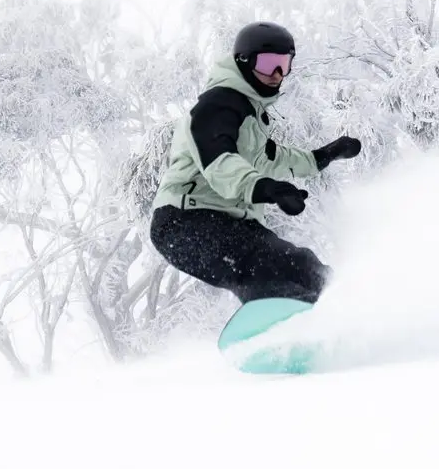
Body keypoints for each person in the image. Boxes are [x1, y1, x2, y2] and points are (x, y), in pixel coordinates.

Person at [148, 21, 362, 305]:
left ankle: (345, 307)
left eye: (283, 65)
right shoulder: (215, 106)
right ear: (244, 62)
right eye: (268, 63)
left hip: (230, 223)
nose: (276, 74)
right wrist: (267, 188)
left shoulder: (250, 115)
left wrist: (322, 156)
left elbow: (271, 158)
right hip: (184, 221)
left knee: (301, 265)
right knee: (257, 267)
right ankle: (278, 329)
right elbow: (220, 162)